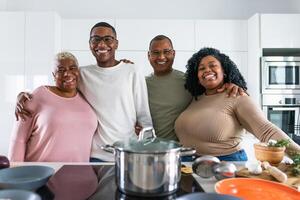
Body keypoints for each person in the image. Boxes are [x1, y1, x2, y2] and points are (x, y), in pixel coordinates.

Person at [14, 22, 153, 162]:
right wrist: (24, 95)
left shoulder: (132, 71)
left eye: (107, 39)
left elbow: (144, 117)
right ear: (90, 44)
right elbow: (58, 86)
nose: (102, 44)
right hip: (94, 156)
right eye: (96, 39)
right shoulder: (82, 74)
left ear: (116, 44)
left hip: (128, 153)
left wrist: (147, 153)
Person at [175, 47, 300, 161]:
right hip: (189, 165)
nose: (207, 70)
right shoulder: (195, 99)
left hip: (225, 166)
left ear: (224, 71)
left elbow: (267, 131)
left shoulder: (237, 96)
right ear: (197, 76)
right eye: (201, 68)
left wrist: (297, 156)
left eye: (213, 65)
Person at [145, 35, 245, 141]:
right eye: (156, 52)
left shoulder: (190, 82)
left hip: (183, 151)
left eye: (166, 52)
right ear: (149, 55)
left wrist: (230, 84)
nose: (161, 57)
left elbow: (214, 92)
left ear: (173, 54)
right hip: (150, 149)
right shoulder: (141, 84)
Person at [9, 52, 98, 162]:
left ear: (78, 71)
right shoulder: (37, 96)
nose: (67, 73)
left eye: (72, 68)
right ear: (53, 75)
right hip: (41, 174)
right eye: (60, 70)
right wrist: (14, 173)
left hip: (79, 174)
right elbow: (19, 140)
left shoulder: (86, 96)